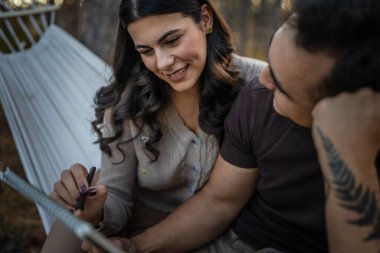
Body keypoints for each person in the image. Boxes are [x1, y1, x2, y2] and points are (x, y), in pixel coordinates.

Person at [81, 0, 380, 252]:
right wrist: (136, 247)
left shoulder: (249, 82)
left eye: (281, 84)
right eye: (270, 65)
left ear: (340, 107)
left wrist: (354, 159)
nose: (263, 82)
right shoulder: (257, 98)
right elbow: (217, 203)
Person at [41, 0, 266, 252]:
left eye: (172, 41)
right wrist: (98, 211)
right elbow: (117, 197)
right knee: (70, 217)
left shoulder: (256, 84)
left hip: (226, 232)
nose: (162, 63)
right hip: (142, 228)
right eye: (146, 51)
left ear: (205, 19)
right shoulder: (128, 103)